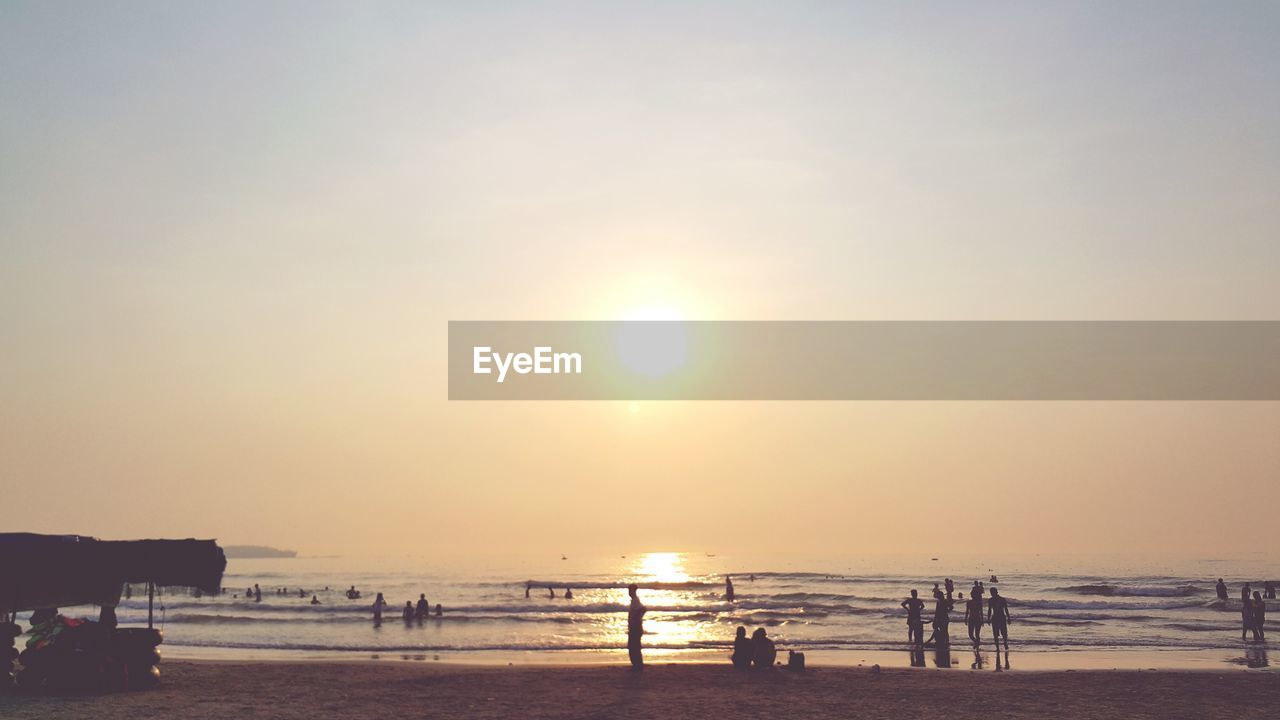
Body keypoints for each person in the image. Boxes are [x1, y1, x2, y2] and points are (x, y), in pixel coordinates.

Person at [627, 584, 645, 669]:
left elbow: (643, 609)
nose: (629, 592)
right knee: (634, 646)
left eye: (630, 591)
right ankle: (637, 665)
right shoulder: (634, 600)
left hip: (635, 627)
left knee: (634, 646)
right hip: (635, 626)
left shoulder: (635, 601)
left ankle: (637, 665)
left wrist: (635, 619)